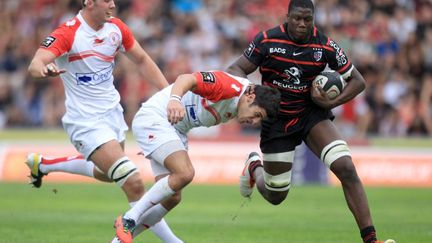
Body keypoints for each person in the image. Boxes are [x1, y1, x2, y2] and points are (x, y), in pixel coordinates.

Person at [226, 1, 394, 243]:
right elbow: (236, 69)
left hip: (311, 115)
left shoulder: (324, 45)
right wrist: (256, 97)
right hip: (277, 121)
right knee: (276, 195)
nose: (302, 24)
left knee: (346, 167)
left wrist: (329, 104)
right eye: (297, 18)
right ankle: (254, 166)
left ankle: (371, 240)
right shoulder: (267, 40)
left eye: (307, 19)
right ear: (287, 17)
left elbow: (358, 81)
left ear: (314, 18)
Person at [25, 0, 183, 242]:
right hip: (85, 122)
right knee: (133, 180)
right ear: (89, 2)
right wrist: (44, 69)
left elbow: (141, 59)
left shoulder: (116, 28)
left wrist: (172, 96)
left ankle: (44, 165)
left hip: (112, 115)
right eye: (107, 0)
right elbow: (36, 63)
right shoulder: (69, 32)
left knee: (107, 173)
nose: (113, 4)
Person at [113, 70, 281, 243]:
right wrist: (174, 100)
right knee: (185, 173)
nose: (254, 122)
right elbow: (185, 78)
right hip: (156, 118)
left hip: (175, 129)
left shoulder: (242, 101)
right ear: (250, 98)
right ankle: (129, 219)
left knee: (172, 198)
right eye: (257, 115)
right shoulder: (228, 87)